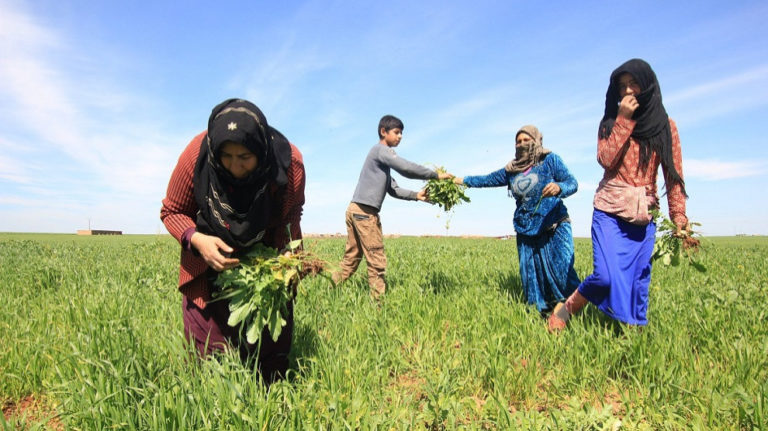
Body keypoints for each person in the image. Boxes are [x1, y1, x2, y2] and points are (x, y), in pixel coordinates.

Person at [160, 98, 305, 382]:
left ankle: (271, 397)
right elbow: (172, 210)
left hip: (264, 256)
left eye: (245, 158)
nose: (235, 167)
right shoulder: (196, 156)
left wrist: (288, 255)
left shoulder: (288, 163)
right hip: (207, 254)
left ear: (261, 152)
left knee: (270, 345)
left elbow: (291, 215)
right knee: (208, 354)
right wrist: (198, 241)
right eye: (227, 157)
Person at [550, 58, 695, 329]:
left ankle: (633, 335)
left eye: (634, 84)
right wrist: (623, 121)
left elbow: (673, 176)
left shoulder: (666, 127)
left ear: (648, 85)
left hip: (643, 215)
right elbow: (606, 159)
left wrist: (679, 217)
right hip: (610, 211)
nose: (628, 91)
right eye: (622, 87)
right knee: (605, 276)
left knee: (638, 280)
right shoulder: (610, 123)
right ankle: (565, 311)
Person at [454, 125, 580, 319]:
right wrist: (457, 180)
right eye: (518, 141)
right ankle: (542, 315)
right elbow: (486, 180)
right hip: (526, 228)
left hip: (553, 225)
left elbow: (572, 182)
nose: (522, 144)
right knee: (532, 275)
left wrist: (558, 187)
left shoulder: (550, 160)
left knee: (561, 269)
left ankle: (572, 310)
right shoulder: (511, 170)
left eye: (526, 140)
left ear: (537, 141)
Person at [333, 114, 453, 299]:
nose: (400, 136)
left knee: (353, 257)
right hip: (365, 213)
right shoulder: (382, 151)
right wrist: (435, 175)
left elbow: (393, 189)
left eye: (401, 133)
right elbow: (405, 167)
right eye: (397, 132)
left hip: (356, 210)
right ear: (383, 132)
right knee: (376, 259)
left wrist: (416, 196)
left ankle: (330, 288)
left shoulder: (381, 162)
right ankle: (378, 305)